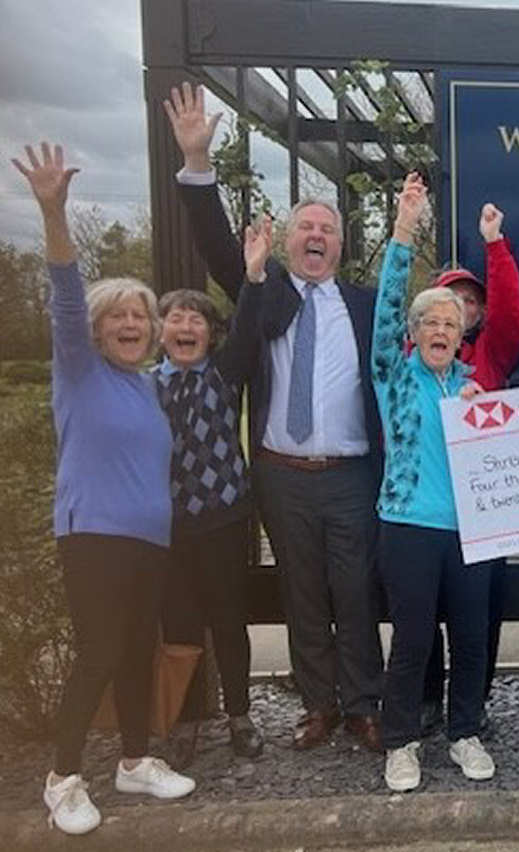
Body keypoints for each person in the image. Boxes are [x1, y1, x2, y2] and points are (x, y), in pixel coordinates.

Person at [164, 83, 384, 752]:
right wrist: (197, 162)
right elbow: (211, 242)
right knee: (302, 594)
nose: (316, 237)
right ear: (285, 241)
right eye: (305, 228)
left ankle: (363, 705)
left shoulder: (367, 304)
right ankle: (318, 706)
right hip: (281, 475)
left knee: (355, 592)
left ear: (342, 246)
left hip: (351, 474)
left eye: (327, 230)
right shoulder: (265, 293)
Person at [14, 143, 195, 836]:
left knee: (134, 649)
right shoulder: (80, 372)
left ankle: (135, 760)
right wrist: (53, 211)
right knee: (98, 652)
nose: (132, 324)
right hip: (92, 536)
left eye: (140, 317)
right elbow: (63, 289)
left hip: (149, 540)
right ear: (94, 329)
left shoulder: (147, 385)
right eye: (118, 316)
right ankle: (62, 778)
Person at [374, 173, 494, 791]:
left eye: (451, 323)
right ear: (415, 334)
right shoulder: (393, 376)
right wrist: (404, 229)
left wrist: (487, 415)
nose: (442, 330)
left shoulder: (476, 386)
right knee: (414, 639)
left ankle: (465, 732)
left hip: (471, 532)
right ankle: (401, 742)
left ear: (461, 333)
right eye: (431, 323)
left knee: (471, 638)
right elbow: (389, 300)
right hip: (409, 526)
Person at [153, 217, 272, 766]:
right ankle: (186, 723)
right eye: (174, 317)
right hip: (167, 524)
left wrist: (252, 275)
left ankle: (240, 717)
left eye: (195, 318)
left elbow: (249, 327)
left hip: (224, 519)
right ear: (161, 331)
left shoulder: (224, 374)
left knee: (229, 621)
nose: (184, 325)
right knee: (180, 625)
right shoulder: (144, 385)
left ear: (209, 333)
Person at [418, 203, 519, 737]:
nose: (461, 309)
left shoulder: (494, 354)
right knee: (426, 612)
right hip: (429, 505)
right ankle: (426, 701)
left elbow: (511, 310)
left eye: (469, 302)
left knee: (480, 612)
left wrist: (494, 243)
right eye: (449, 301)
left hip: (486, 506)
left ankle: (472, 704)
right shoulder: (413, 362)